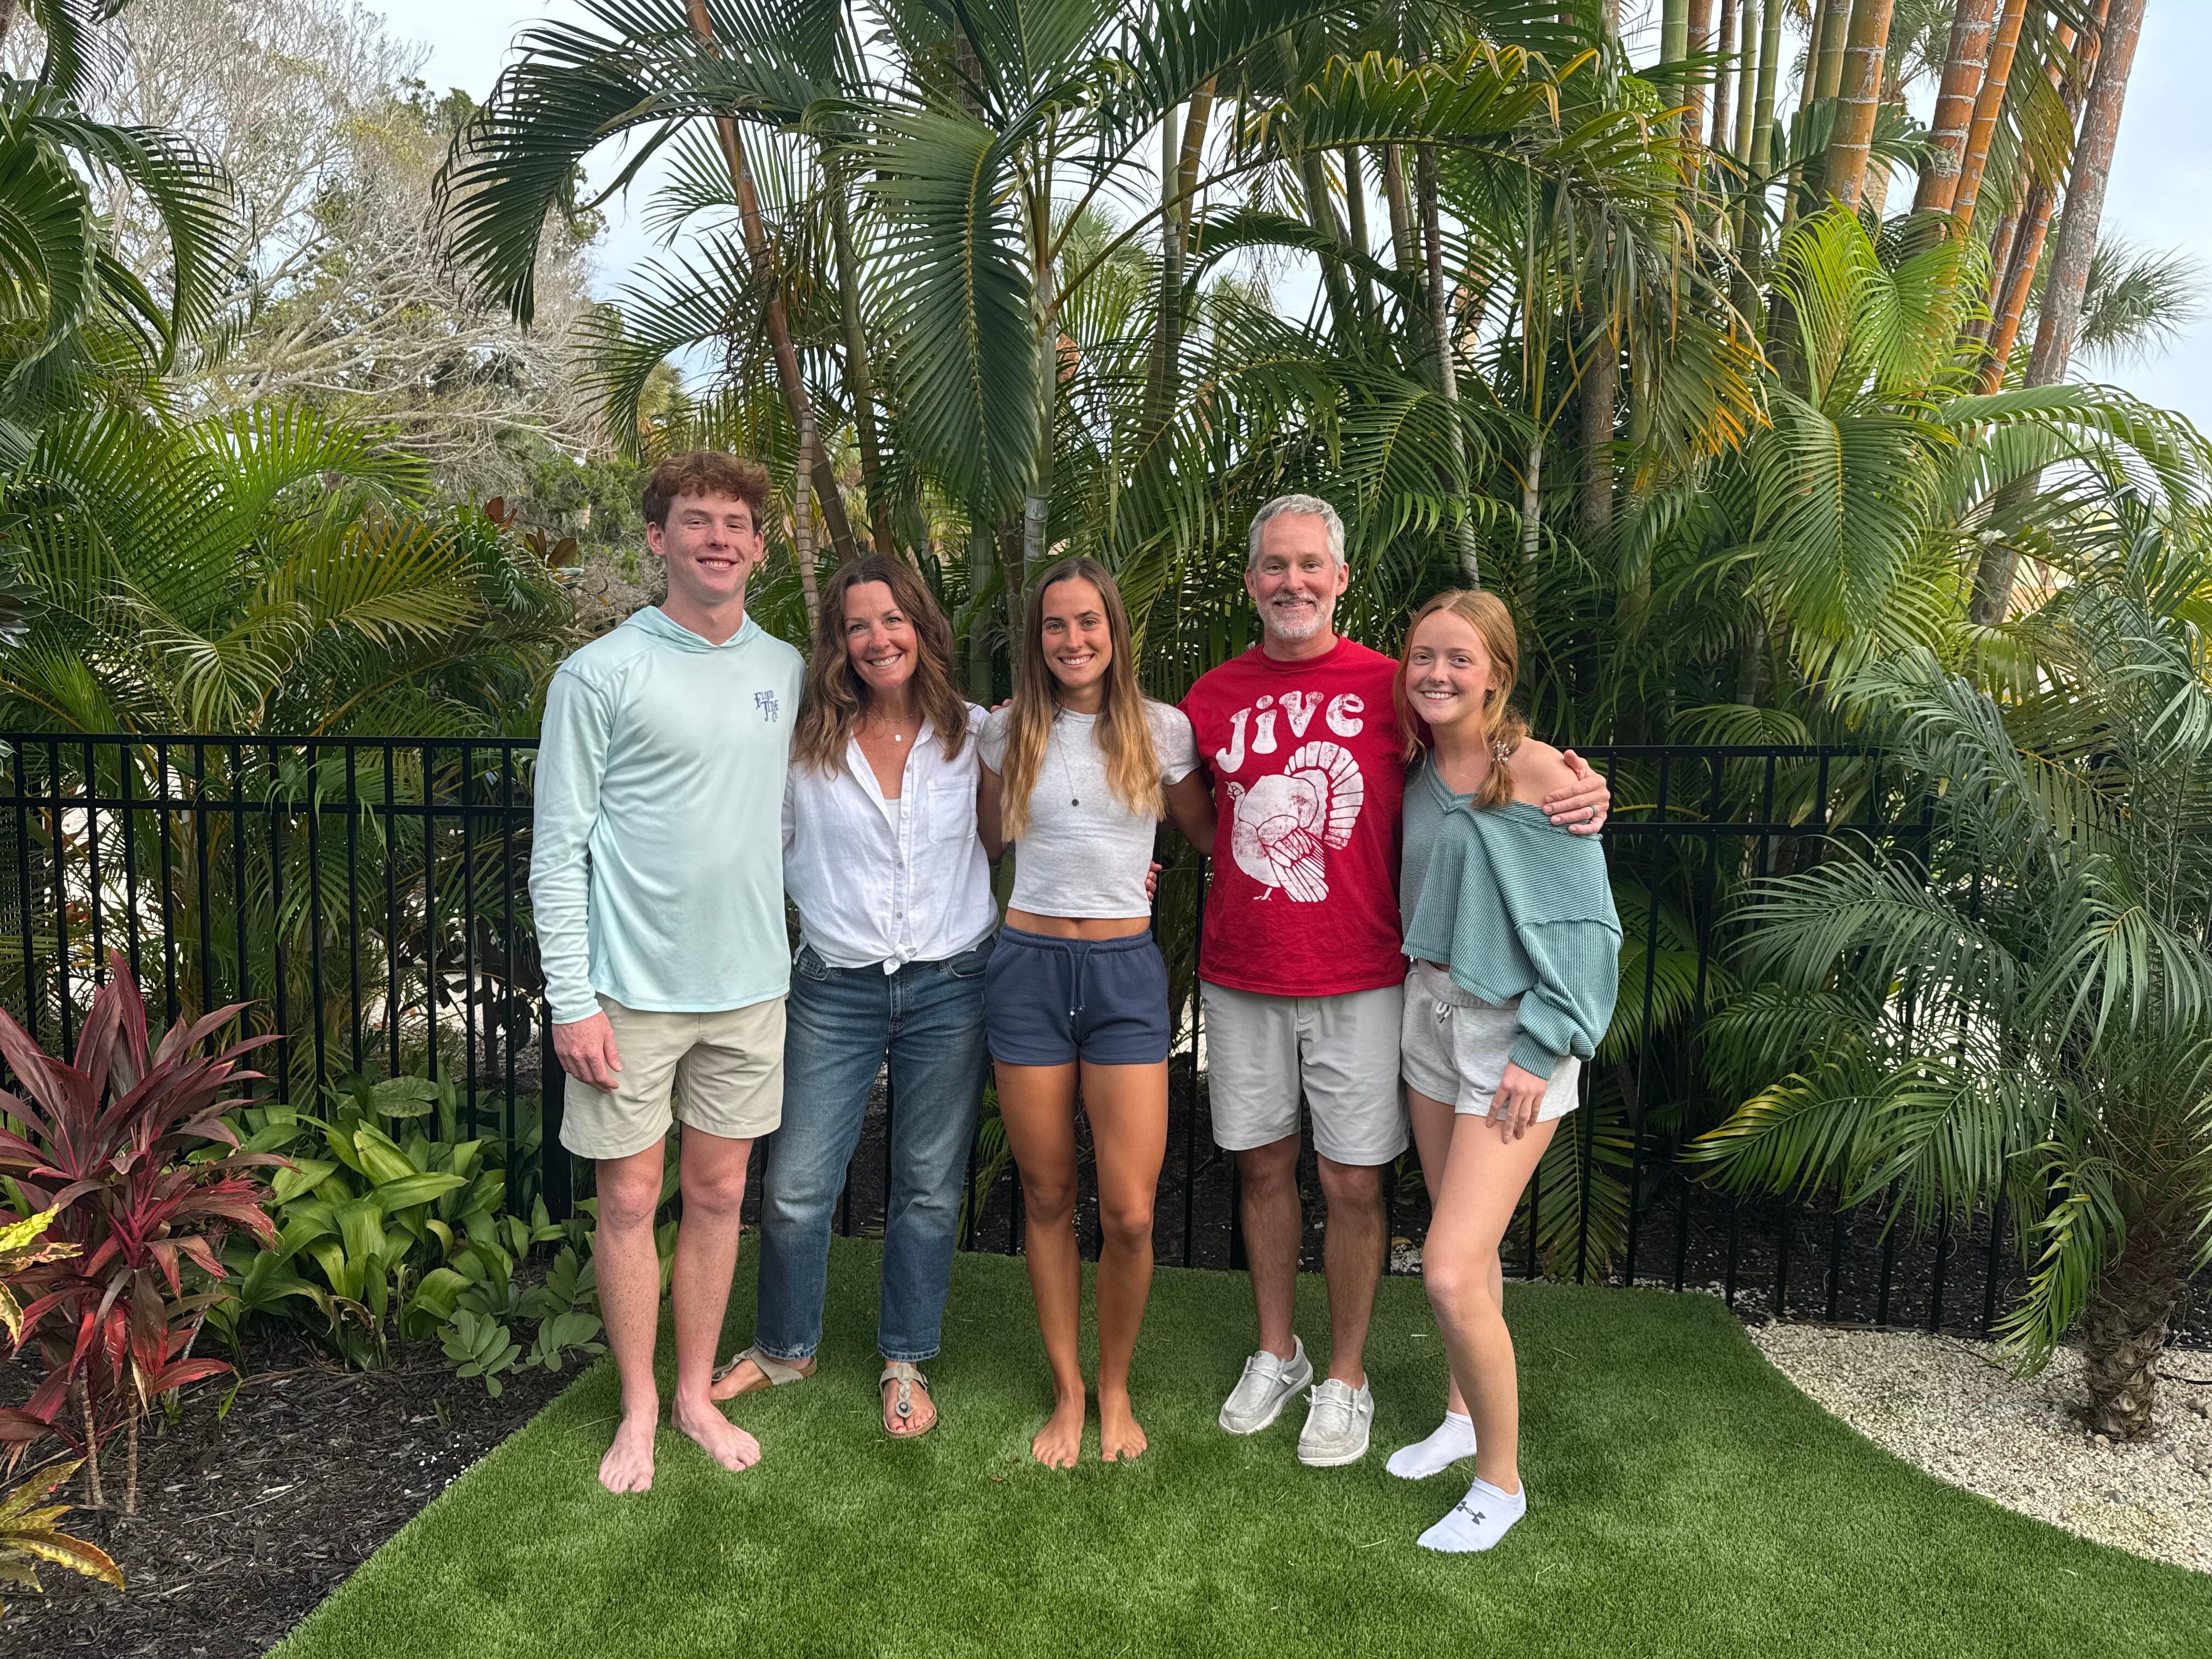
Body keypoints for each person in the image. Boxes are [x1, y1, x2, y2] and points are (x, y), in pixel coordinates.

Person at [1179, 494, 1610, 1468]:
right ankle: (1277, 1354)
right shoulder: (1211, 696)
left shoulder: (1394, 688)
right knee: (1261, 1167)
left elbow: (1489, 752)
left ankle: (1347, 1377)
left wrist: (1576, 785)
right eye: (1274, 565)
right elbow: (1198, 817)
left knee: (1352, 1180)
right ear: (1251, 581)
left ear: (1340, 579)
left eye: (1310, 565)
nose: (1292, 581)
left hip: (1368, 977)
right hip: (1247, 974)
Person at [529, 450, 804, 1494]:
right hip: (628, 996)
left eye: (735, 523)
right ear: (658, 537)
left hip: (751, 985)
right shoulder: (599, 673)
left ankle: (694, 1395)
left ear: (759, 548)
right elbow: (558, 851)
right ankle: (639, 1406)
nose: (717, 539)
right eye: (696, 520)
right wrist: (573, 1001)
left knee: (721, 1192)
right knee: (630, 1200)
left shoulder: (784, 669)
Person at [709, 555, 997, 1439]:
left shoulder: (975, 736)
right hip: (834, 988)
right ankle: (785, 1347)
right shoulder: (803, 746)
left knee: (928, 1188)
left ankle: (905, 1359)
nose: (878, 639)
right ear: (838, 642)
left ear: (923, 628)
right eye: (858, 625)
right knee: (798, 1185)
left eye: (893, 619)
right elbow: (758, 857)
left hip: (952, 984)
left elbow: (1042, 818)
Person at [1387, 588, 1621, 1551]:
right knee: (1469, 1248)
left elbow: (1591, 934)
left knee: (1446, 1270)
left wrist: (1543, 1046)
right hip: (1429, 1018)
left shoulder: (1537, 773)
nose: (1437, 673)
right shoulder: (1412, 765)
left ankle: (1502, 1482)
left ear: (1497, 674)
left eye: (1460, 658)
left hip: (1514, 1039)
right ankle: (1459, 1416)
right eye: (1423, 657)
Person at [977, 555, 1216, 1468]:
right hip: (1029, 969)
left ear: (1115, 630)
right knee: (1045, 1195)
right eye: (1055, 624)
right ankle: (1069, 1392)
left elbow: (1209, 832)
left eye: (1088, 622)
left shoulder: (1163, 729)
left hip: (1123, 976)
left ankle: (1115, 1386)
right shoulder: (1006, 732)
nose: (1073, 639)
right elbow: (985, 841)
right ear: (1036, 638)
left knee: (1131, 1213)